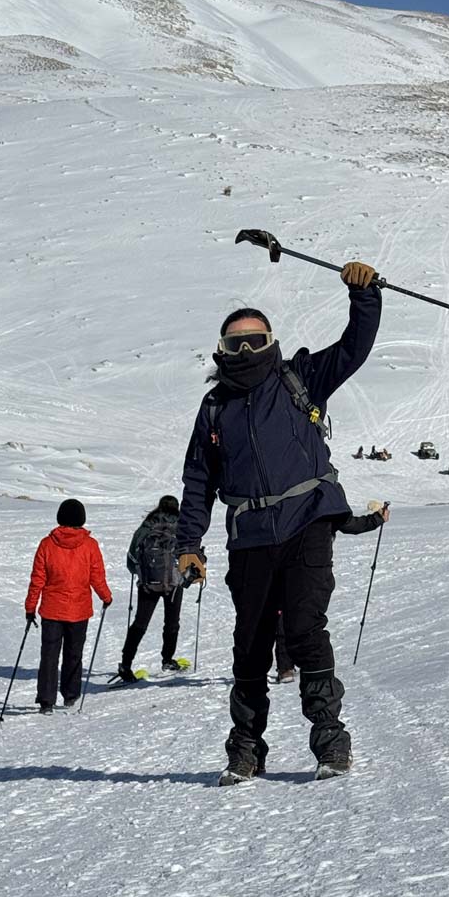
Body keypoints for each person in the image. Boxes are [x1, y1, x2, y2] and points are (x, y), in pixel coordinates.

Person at [176, 259, 381, 784]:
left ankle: (330, 743)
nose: (245, 352)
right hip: (248, 537)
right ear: (220, 351)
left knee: (307, 630)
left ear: (272, 342)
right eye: (234, 344)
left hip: (307, 520)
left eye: (256, 341)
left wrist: (363, 294)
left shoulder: (300, 378)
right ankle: (246, 750)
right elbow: (198, 480)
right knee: (250, 643)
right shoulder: (215, 408)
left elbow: (353, 349)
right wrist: (188, 543)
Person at [272, 501, 391, 684]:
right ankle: (302, 669)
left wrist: (376, 519)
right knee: (306, 618)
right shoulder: (325, 491)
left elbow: (346, 522)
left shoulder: (294, 488)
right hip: (312, 565)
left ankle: (288, 667)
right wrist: (376, 519)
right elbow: (349, 524)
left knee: (286, 613)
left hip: (291, 560)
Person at [25, 499, 112, 714]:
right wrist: (106, 596)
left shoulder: (47, 544)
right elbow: (96, 576)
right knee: (74, 653)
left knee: (49, 655)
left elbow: (38, 578)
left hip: (52, 610)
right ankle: (71, 694)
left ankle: (46, 700)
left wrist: (30, 607)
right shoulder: (90, 545)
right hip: (79, 610)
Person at [117, 495, 185, 682]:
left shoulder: (146, 526)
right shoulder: (181, 526)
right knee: (171, 622)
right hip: (173, 583)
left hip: (148, 583)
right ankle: (167, 659)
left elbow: (131, 558)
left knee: (140, 623)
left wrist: (141, 573)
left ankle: (126, 663)